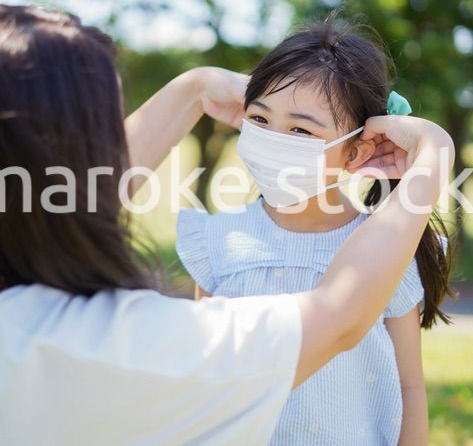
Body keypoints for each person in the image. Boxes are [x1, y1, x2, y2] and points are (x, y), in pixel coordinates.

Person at [0, 3, 454, 445]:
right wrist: (432, 160)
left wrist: (194, 90)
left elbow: (56, 197)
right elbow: (340, 315)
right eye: (104, 132)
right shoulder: (106, 348)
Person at [177, 22, 455, 445]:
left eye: (300, 130)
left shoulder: (388, 247)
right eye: (259, 118)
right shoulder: (219, 239)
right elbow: (206, 373)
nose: (272, 139)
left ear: (356, 150)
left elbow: (409, 386)